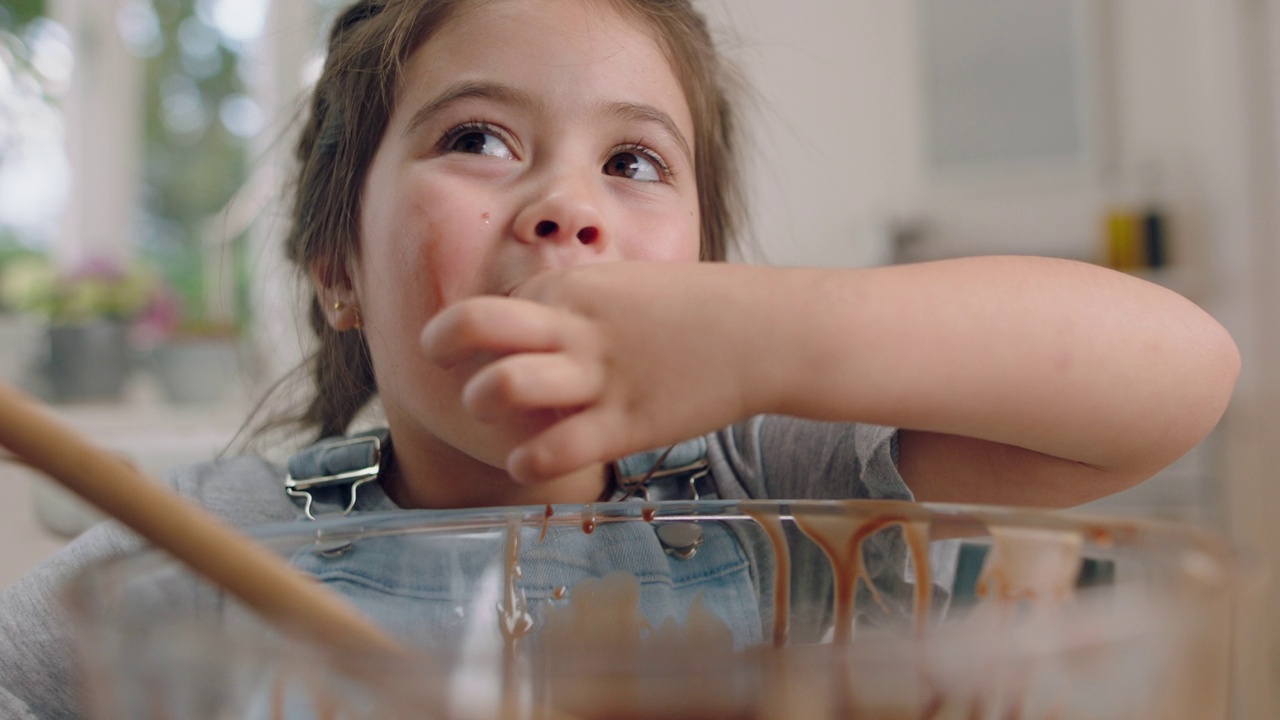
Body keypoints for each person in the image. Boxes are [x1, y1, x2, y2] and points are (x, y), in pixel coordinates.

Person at [0, 0, 1240, 717]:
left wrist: (764, 339)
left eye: (633, 162)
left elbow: (1176, 376)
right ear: (337, 268)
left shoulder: (783, 492)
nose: (563, 204)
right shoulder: (205, 554)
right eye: (477, 138)